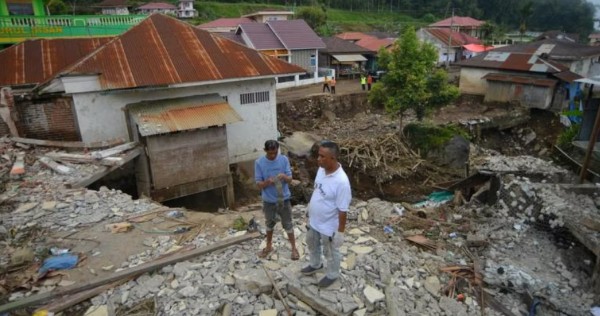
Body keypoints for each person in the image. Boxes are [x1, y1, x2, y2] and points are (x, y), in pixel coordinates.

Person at [301, 140, 352, 288]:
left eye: (322, 157)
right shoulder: (321, 170)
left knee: (330, 251)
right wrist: (310, 206)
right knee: (312, 244)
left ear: (333, 158)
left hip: (328, 225)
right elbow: (317, 190)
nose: (318, 159)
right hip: (314, 220)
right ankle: (315, 264)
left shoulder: (342, 182)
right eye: (318, 155)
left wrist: (340, 232)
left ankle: (332, 274)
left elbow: (343, 210)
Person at [255, 140, 299, 260]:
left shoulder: (284, 160)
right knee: (269, 224)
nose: (273, 156)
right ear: (265, 151)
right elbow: (259, 184)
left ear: (278, 150)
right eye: (270, 154)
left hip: (284, 199)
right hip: (269, 201)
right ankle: (269, 246)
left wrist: (284, 177)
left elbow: (290, 179)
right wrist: (267, 182)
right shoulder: (259, 163)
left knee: (288, 224)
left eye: (275, 153)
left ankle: (294, 248)